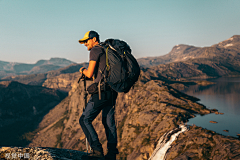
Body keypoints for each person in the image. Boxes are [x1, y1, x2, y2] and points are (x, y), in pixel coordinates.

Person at [78, 30, 119, 160]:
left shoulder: (95, 50)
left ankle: (97, 151)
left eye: (86, 41)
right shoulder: (106, 50)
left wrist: (82, 70)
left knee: (84, 119)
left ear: (94, 39)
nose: (85, 44)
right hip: (112, 91)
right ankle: (112, 153)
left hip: (101, 93)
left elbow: (89, 74)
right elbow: (101, 73)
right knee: (108, 122)